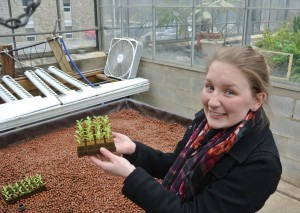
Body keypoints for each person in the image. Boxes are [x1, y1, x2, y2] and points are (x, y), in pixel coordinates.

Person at [90, 46, 282, 212]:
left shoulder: (261, 165)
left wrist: (131, 175)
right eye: (209, 87)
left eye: (229, 92)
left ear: (257, 100)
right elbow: (175, 165)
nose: (213, 102)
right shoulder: (206, 123)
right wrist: (134, 149)